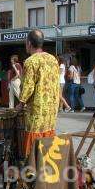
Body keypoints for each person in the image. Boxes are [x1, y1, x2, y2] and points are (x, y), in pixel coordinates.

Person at [18, 29, 60, 157]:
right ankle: (47, 164)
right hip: (52, 107)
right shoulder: (53, 59)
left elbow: (28, 87)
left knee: (34, 135)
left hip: (37, 108)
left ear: (29, 43)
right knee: (48, 133)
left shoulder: (30, 61)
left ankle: (32, 167)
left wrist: (20, 104)